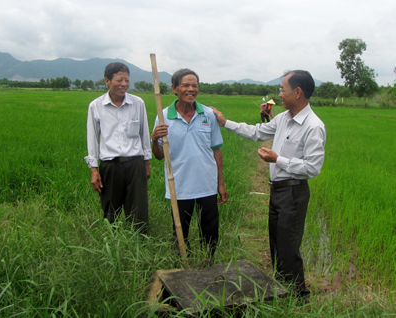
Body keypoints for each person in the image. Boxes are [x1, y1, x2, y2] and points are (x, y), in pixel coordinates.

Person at [211, 70, 326, 303]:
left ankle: (298, 296)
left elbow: (313, 168)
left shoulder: (313, 126)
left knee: (288, 245)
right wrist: (225, 123)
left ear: (298, 92)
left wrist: (278, 160)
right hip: (278, 190)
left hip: (294, 192)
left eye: (282, 90)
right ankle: (281, 289)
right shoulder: (283, 118)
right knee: (275, 242)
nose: (279, 95)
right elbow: (256, 132)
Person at [151, 68, 228, 257]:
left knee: (210, 232)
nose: (191, 89)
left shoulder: (208, 115)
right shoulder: (163, 117)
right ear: (174, 88)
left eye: (195, 85)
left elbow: (216, 150)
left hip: (207, 184)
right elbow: (160, 156)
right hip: (179, 185)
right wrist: (154, 139)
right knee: (179, 231)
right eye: (186, 85)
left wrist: (221, 183)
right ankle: (183, 266)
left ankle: (208, 263)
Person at [84, 62, 152, 234]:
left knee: (139, 211)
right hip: (110, 165)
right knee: (110, 211)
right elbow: (92, 139)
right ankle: (112, 245)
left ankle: (139, 244)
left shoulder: (138, 103)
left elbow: (144, 134)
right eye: (119, 80)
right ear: (107, 80)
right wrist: (93, 169)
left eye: (127, 80)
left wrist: (146, 163)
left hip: (135, 164)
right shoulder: (96, 106)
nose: (124, 84)